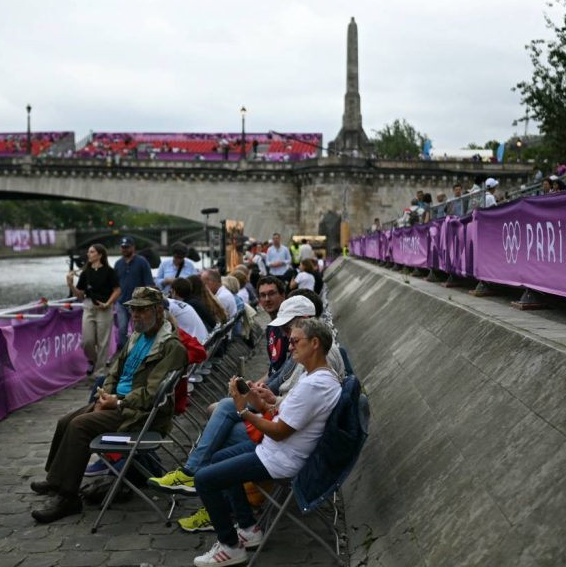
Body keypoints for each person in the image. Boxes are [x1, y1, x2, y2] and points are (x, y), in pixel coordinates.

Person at [29, 287, 188, 523]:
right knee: (65, 422)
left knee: (80, 426)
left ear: (157, 310)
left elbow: (151, 395)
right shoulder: (137, 337)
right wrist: (106, 395)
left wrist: (117, 402)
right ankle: (56, 480)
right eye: (133, 310)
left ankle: (68, 497)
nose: (135, 315)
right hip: (118, 404)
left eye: (141, 310)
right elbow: (115, 371)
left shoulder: (171, 346)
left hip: (139, 415)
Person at [191, 318, 342, 566]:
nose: (289, 346)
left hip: (281, 458)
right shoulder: (316, 376)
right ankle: (249, 528)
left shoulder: (314, 385)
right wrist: (267, 401)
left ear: (315, 343)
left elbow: (279, 431)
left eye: (294, 341)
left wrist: (243, 411)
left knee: (204, 479)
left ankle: (230, 547)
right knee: (218, 458)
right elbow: (289, 415)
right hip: (278, 450)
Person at [66, 244, 120, 373]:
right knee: (87, 341)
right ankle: (94, 360)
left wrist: (108, 303)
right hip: (89, 306)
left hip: (104, 307)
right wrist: (70, 284)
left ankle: (99, 371)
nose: (88, 254)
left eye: (91, 252)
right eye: (89, 252)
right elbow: (80, 294)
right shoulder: (86, 273)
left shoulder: (109, 271)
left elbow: (117, 290)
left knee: (103, 341)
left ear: (100, 255)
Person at [113, 237, 154, 351]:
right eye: (122, 247)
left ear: (133, 247)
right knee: (122, 329)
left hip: (138, 304)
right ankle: (125, 352)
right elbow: (114, 284)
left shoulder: (142, 262)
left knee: (139, 329)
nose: (124, 249)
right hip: (121, 302)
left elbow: (149, 283)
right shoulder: (118, 263)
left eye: (127, 247)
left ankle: (139, 350)